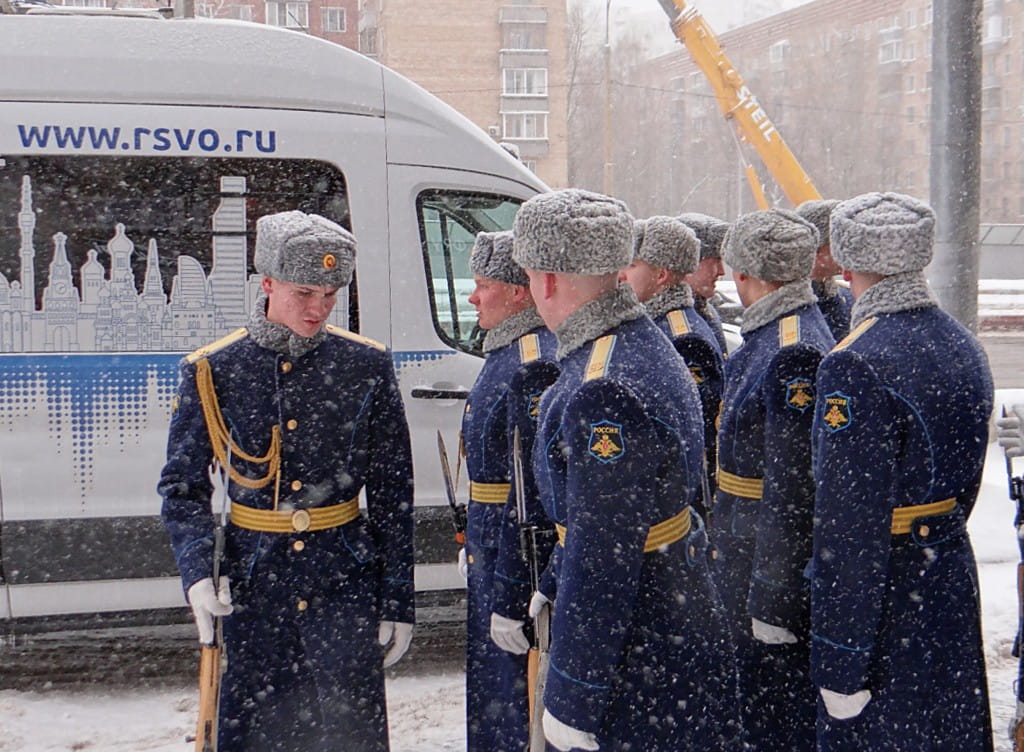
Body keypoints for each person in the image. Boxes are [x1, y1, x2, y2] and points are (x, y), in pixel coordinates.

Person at [159, 211, 415, 752]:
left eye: (330, 293)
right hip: (255, 587)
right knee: (259, 733)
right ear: (267, 282)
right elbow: (182, 488)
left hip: (342, 581)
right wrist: (199, 574)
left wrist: (396, 600)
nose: (319, 308)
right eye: (305, 292)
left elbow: (394, 494)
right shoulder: (214, 369)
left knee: (348, 734)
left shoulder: (364, 366)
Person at [512, 188, 742, 751]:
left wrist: (573, 693)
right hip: (668, 610)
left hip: (637, 645)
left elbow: (604, 548)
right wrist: (552, 579)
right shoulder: (635, 340)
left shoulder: (602, 385)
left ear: (543, 280)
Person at [810, 192, 994, 751]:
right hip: (947, 579)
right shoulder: (963, 343)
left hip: (884, 605)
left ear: (845, 264)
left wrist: (841, 659)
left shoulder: (854, 361)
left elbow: (849, 522)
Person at [714, 208, 834, 750]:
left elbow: (792, 487)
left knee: (773, 713)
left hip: (761, 555)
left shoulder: (791, 350)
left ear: (745, 274)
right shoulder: (777, 335)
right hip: (747, 544)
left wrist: (773, 595)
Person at [458, 230, 558, 751]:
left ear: (520, 292)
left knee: (511, 701)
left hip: (510, 556)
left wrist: (511, 590)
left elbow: (531, 494)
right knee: (493, 691)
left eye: (483, 285)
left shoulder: (531, 362)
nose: (472, 297)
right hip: (490, 548)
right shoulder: (506, 352)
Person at [620, 215, 725, 519]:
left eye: (632, 266)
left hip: (674, 499)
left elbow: (694, 435)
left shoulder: (681, 337)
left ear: (661, 276)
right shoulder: (655, 324)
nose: (623, 275)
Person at [796, 199, 855, 341]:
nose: (849, 248)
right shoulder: (792, 307)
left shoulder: (851, 297)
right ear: (815, 249)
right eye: (838, 241)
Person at [679, 211, 731, 353]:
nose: (722, 271)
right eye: (715, 260)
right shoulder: (677, 324)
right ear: (691, 262)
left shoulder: (707, 312)